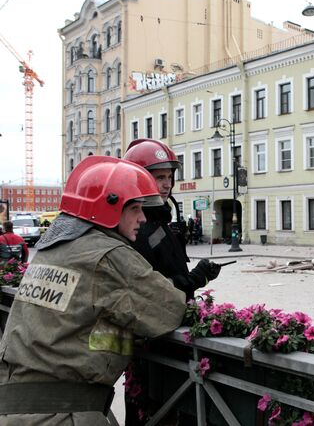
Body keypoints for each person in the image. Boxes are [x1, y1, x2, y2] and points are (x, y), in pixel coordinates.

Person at [0, 156, 187, 425]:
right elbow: (170, 310)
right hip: (62, 414)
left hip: (15, 409)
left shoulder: (51, 250)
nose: (143, 218)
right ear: (109, 207)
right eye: (135, 208)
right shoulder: (109, 255)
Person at [123, 139, 221, 301]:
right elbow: (151, 290)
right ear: (139, 180)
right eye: (160, 178)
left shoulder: (159, 220)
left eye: (170, 177)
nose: (168, 184)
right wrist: (194, 278)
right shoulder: (136, 227)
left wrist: (198, 278)